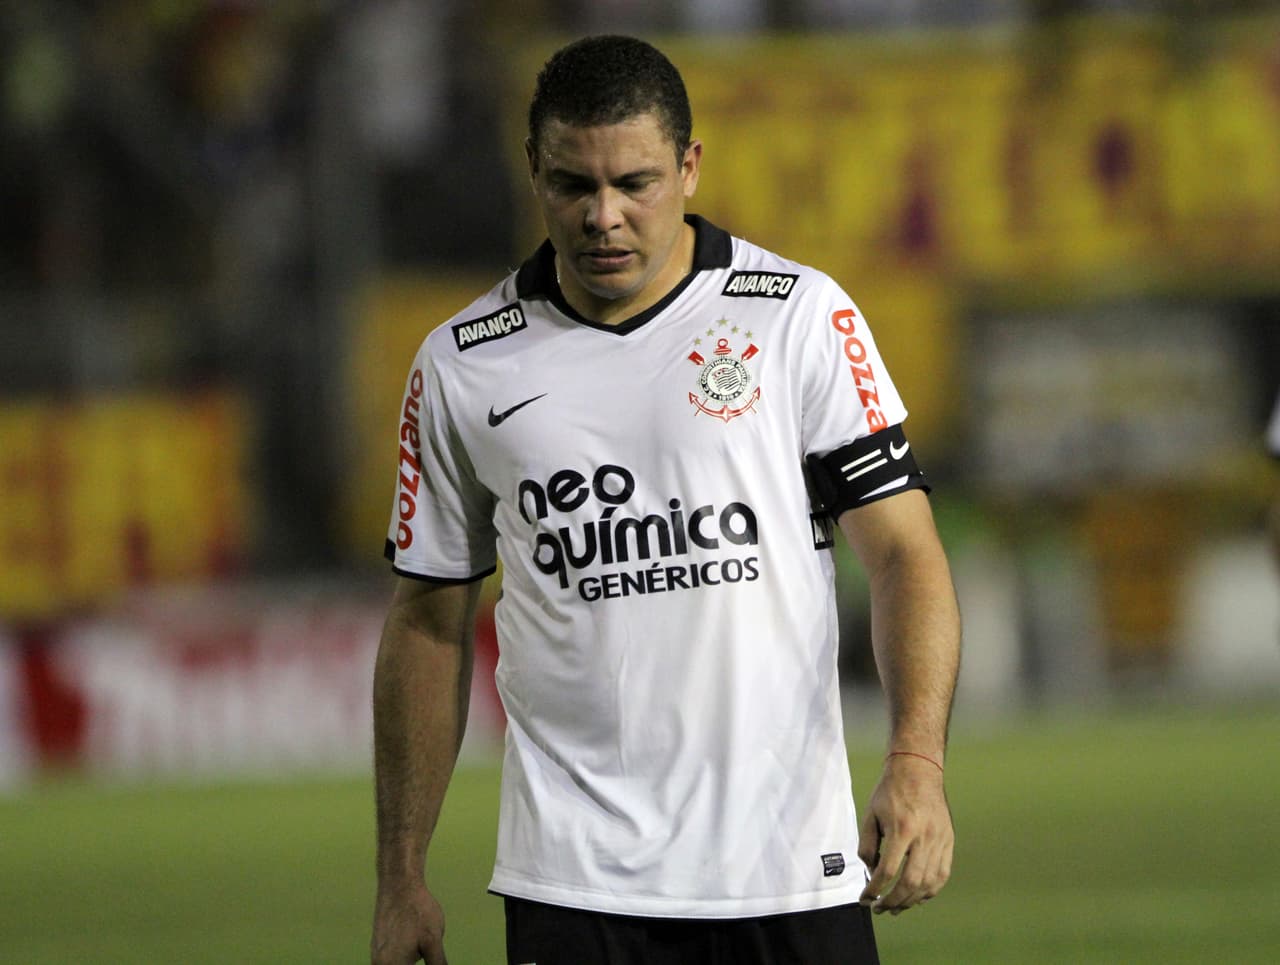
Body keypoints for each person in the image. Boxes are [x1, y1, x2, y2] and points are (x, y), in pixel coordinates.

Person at [371, 34, 961, 965]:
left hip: (789, 872)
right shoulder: (461, 364)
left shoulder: (797, 317)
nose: (604, 215)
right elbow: (428, 620)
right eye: (573, 185)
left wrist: (917, 762)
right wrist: (400, 872)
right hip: (574, 886)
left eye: (635, 183)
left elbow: (904, 554)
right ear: (532, 172)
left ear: (689, 168)